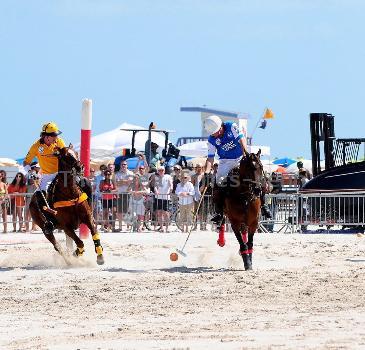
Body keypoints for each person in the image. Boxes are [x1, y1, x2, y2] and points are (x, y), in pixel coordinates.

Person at [203, 115, 272, 225]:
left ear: (221, 127)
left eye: (215, 132)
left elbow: (242, 139)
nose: (215, 135)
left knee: (257, 176)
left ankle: (263, 205)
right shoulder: (211, 139)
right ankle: (219, 212)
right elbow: (210, 157)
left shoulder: (231, 126)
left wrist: (245, 154)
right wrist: (206, 173)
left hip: (241, 157)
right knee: (217, 183)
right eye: (212, 134)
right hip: (225, 162)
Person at [23, 122, 65, 234]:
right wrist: (31, 172)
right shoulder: (36, 146)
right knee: (39, 195)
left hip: (61, 173)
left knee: (79, 185)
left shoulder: (59, 142)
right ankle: (49, 221)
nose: (56, 137)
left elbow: (65, 155)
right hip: (46, 175)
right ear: (46, 136)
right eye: (54, 135)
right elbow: (26, 162)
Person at [115, 160, 133, 231]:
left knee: (128, 210)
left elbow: (130, 183)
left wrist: (121, 181)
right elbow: (116, 183)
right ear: (120, 165)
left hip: (128, 194)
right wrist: (125, 181)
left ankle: (128, 226)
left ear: (127, 165)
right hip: (120, 193)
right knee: (119, 211)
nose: (123, 166)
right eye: (122, 164)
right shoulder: (117, 174)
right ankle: (120, 227)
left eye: (125, 164)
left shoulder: (130, 173)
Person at [154, 166, 173, 232]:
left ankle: (167, 228)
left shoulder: (168, 176)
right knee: (159, 212)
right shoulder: (157, 178)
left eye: (162, 170)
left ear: (164, 171)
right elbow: (155, 186)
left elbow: (171, 184)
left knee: (166, 213)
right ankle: (161, 227)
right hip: (158, 197)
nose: (161, 171)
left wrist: (170, 190)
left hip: (166, 197)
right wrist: (156, 191)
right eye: (159, 170)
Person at [25, 162, 41, 232]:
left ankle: (33, 227)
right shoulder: (29, 174)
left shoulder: (39, 174)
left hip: (36, 196)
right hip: (29, 196)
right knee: (28, 212)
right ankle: (27, 228)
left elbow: (38, 184)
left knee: (36, 212)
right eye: (38, 166)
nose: (39, 167)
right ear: (34, 167)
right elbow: (30, 183)